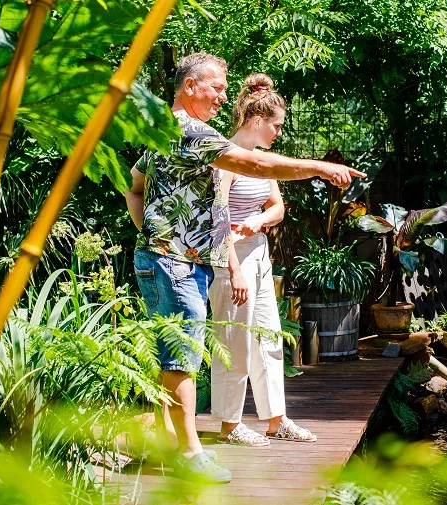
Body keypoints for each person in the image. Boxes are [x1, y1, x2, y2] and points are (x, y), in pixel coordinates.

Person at [124, 52, 364, 484]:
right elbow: (254, 164)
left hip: (170, 257)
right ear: (190, 86)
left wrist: (152, 231)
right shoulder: (191, 131)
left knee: (173, 352)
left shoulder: (161, 133)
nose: (222, 95)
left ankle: (168, 445)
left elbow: (134, 184)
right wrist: (320, 168)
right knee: (183, 355)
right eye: (215, 86)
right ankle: (191, 453)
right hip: (175, 261)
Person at [209, 73, 316, 447]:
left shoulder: (262, 160)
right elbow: (216, 217)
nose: (279, 133)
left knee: (269, 337)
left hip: (259, 254)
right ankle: (229, 424)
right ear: (257, 122)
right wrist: (234, 265)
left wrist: (257, 220)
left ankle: (276, 419)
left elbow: (278, 208)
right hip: (229, 259)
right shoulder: (224, 157)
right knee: (233, 341)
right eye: (277, 125)